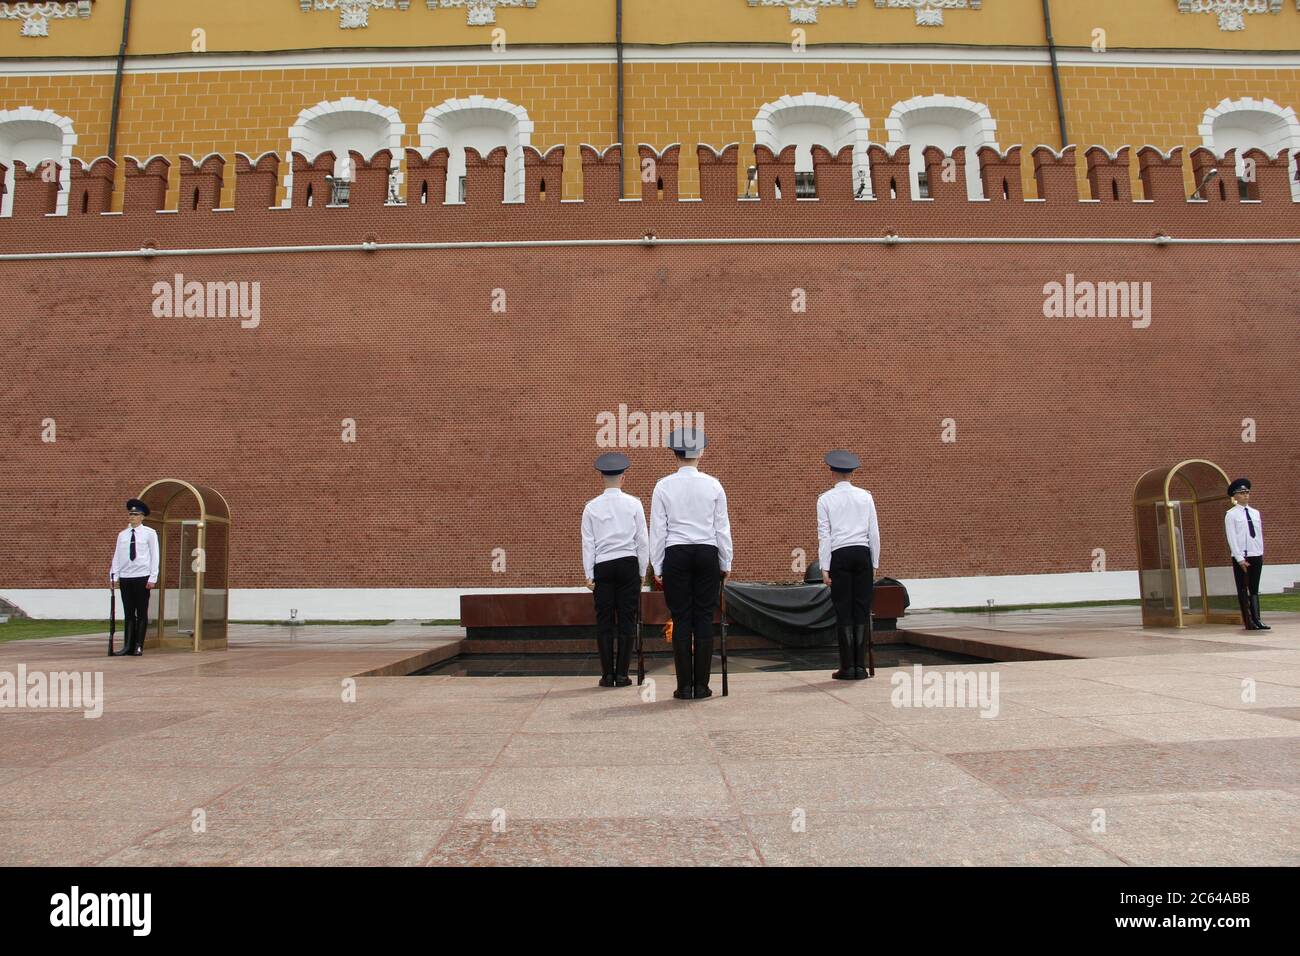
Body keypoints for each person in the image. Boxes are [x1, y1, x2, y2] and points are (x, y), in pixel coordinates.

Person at [649, 427, 732, 700]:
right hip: (707, 551)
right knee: (704, 617)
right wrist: (725, 561)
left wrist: (657, 566)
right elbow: (722, 527)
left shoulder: (663, 485)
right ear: (701, 453)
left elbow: (658, 530)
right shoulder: (713, 484)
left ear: (675, 455)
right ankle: (702, 685)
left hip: (676, 553)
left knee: (682, 617)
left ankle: (684, 686)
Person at [581, 452, 649, 686]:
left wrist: (589, 574)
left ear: (602, 477)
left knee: (605, 620)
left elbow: (588, 543)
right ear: (623, 478)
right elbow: (642, 541)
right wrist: (642, 571)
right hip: (628, 563)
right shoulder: (634, 504)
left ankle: (606, 674)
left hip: (603, 564)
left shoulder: (591, 507)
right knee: (627, 618)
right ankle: (622, 674)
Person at [817, 450, 880, 679]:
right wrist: (874, 562)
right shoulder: (866, 496)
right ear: (852, 472)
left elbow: (825, 535)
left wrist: (825, 567)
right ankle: (860, 667)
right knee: (861, 609)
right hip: (863, 553)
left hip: (839, 555)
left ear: (832, 472)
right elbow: (874, 532)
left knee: (843, 610)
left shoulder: (825, 499)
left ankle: (847, 666)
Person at [109, 498, 159, 656]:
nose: (132, 517)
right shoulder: (122, 535)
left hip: (142, 576)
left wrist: (153, 577)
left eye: (136, 514)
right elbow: (117, 556)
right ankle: (127, 646)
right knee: (128, 612)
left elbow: (155, 555)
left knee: (141, 612)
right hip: (126, 577)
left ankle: (138, 645)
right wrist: (114, 576)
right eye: (130, 514)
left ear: (142, 517)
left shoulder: (149, 533)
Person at [1225, 477, 1268, 631]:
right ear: (1235, 496)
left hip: (1256, 553)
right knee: (1244, 588)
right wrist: (1239, 558)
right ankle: (1248, 621)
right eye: (1241, 493)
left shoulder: (1255, 513)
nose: (1245, 495)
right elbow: (1232, 538)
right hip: (1242, 556)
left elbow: (1259, 534)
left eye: (1247, 492)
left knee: (1254, 588)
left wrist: (1260, 552)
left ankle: (1258, 619)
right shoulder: (1231, 514)